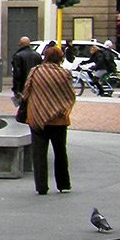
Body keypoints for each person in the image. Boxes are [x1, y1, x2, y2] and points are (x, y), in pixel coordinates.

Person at [20, 44, 75, 195]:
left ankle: (41, 186)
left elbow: (26, 93)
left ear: (45, 57)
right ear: (60, 58)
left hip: (37, 118)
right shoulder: (65, 74)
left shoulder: (35, 72)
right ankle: (63, 183)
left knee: (39, 154)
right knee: (60, 152)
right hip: (59, 119)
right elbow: (70, 95)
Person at [10, 36, 42, 100]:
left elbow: (17, 74)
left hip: (23, 86)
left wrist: (16, 89)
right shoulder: (37, 55)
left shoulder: (18, 56)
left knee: (23, 105)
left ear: (20, 44)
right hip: (35, 85)